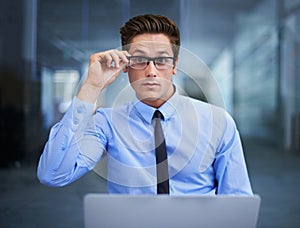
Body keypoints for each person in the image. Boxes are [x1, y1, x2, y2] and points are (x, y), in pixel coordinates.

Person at [37, 14, 253, 195]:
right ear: (125, 66)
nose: (151, 71)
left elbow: (237, 199)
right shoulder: (106, 123)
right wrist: (91, 87)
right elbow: (53, 175)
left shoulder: (218, 122)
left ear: (175, 65)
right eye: (139, 60)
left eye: (161, 60)